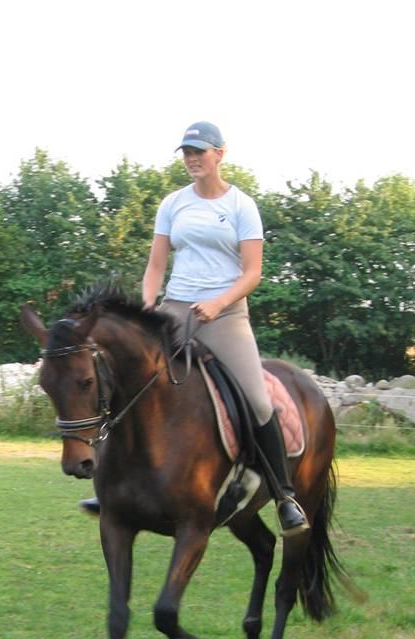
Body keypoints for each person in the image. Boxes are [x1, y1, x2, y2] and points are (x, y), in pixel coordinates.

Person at [138, 120, 309, 536]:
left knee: (258, 400)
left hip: (226, 314)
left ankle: (284, 497)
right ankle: (119, 485)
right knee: (134, 382)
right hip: (176, 310)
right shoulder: (173, 203)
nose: (192, 159)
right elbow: (156, 266)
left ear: (220, 154)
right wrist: (147, 308)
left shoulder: (241, 206)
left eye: (199, 151)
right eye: (186, 152)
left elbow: (253, 273)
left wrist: (218, 303)